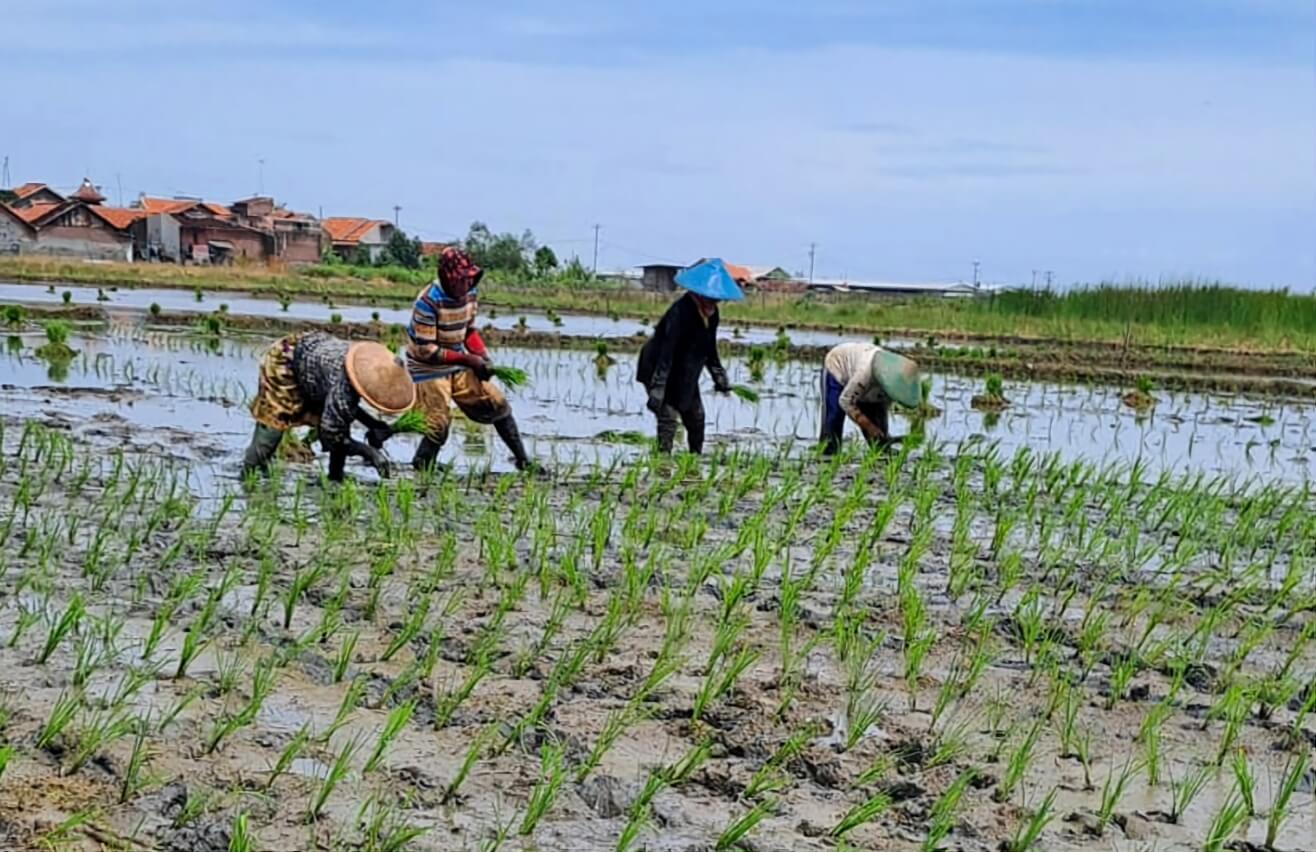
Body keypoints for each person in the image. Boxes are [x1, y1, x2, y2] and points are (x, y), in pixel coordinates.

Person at [383, 247, 535, 471]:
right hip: (427, 367)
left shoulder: (470, 294)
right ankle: (422, 463)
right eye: (461, 280)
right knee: (439, 423)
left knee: (496, 403)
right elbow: (427, 351)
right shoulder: (428, 302)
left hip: (457, 362)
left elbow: (469, 332)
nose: (466, 286)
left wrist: (482, 357)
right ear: (448, 277)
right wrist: (469, 361)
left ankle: (523, 460)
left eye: (469, 280)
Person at [243, 332, 415, 481]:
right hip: (287, 358)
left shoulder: (360, 368)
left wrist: (373, 424)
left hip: (314, 366)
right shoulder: (345, 381)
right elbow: (332, 434)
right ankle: (248, 472)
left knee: (341, 424)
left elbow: (345, 410)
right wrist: (369, 453)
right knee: (274, 423)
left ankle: (334, 478)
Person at [636, 259, 741, 454]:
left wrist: (718, 374)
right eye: (710, 299)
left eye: (717, 300)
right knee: (668, 417)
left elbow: (709, 347)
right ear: (699, 293)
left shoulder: (712, 314)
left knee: (696, 417)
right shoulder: (680, 312)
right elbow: (666, 352)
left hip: (684, 370)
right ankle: (663, 462)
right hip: (658, 366)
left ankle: (694, 460)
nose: (713, 304)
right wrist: (658, 388)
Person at [819, 342, 921, 455]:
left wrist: (880, 431)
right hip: (838, 368)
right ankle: (828, 456)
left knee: (879, 442)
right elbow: (845, 401)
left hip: (869, 387)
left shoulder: (895, 382)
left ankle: (883, 458)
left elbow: (881, 407)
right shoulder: (864, 373)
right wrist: (868, 425)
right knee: (833, 421)